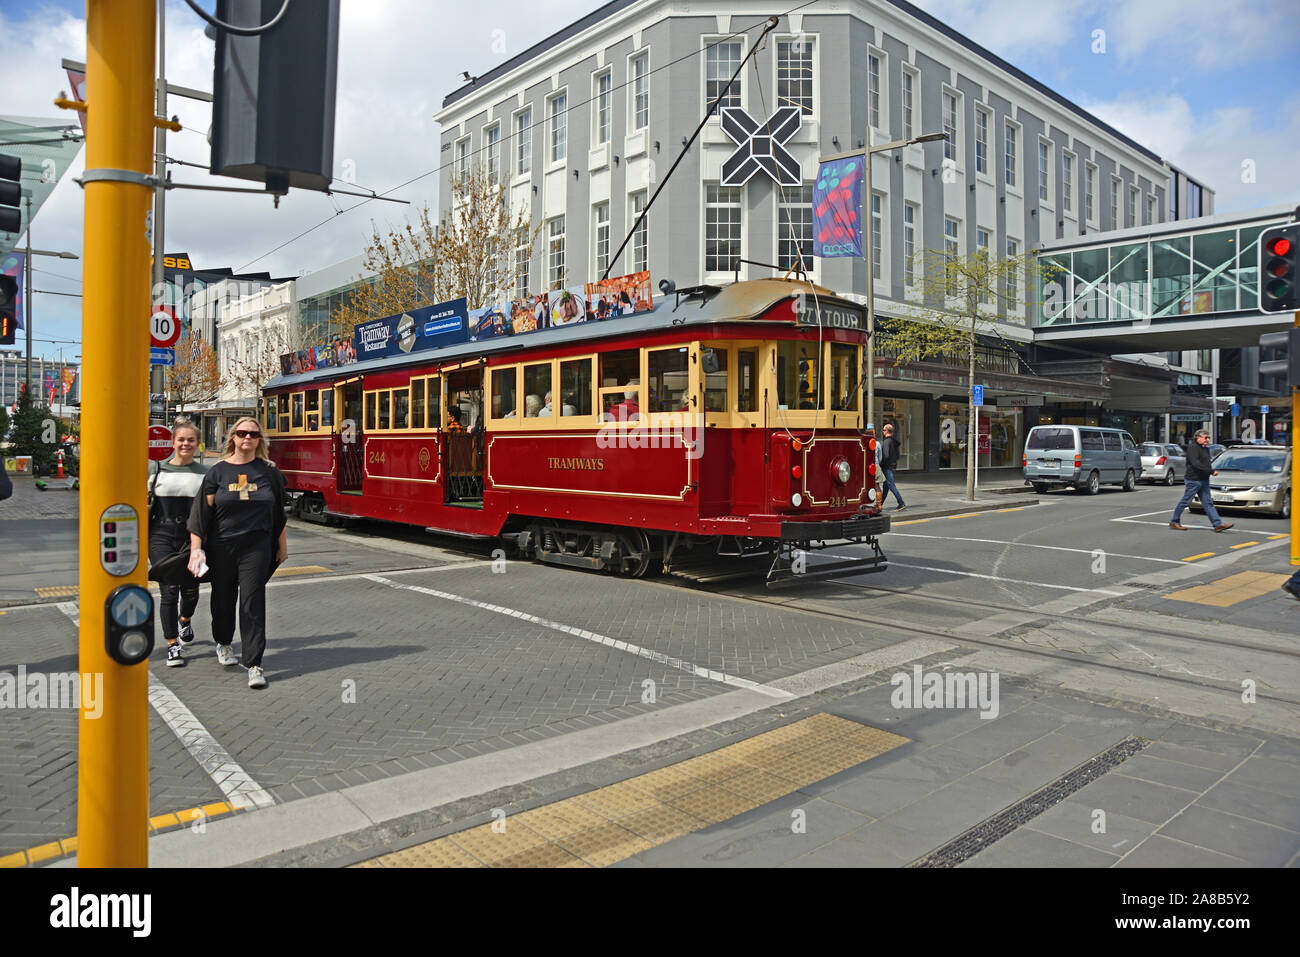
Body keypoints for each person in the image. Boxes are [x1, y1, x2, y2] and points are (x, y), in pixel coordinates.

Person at [187, 418, 287, 689]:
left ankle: (254, 663)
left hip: (257, 546)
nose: (248, 438)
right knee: (223, 598)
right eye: (242, 433)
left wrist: (282, 546)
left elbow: (278, 512)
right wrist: (197, 550)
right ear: (233, 437)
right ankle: (223, 642)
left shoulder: (269, 472)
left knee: (253, 600)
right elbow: (201, 515)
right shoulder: (217, 473)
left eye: (253, 434)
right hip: (222, 546)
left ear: (259, 439)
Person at [148, 419, 207, 667]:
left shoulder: (206, 474)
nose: (185, 444)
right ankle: (172, 644)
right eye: (181, 439)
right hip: (161, 535)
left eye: (190, 440)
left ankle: (185, 620)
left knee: (191, 591)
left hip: (191, 537)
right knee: (169, 591)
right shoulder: (156, 470)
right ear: (173, 442)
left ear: (197, 443)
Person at [1169, 429, 1233, 533]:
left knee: (1208, 503)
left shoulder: (1205, 449)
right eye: (1205, 438)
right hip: (1193, 480)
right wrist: (1211, 471)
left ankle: (1217, 524)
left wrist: (1209, 472)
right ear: (1198, 437)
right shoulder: (1193, 448)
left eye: (1208, 438)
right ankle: (1174, 521)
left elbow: (1206, 463)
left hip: (1204, 480)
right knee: (1186, 501)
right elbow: (1196, 464)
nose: (1207, 440)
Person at [878, 422, 906, 511]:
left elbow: (885, 455)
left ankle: (901, 503)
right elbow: (897, 455)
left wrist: (881, 464)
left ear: (886, 431)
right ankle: (880, 504)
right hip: (893, 466)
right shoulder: (894, 442)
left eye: (883, 430)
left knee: (891, 485)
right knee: (886, 487)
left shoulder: (886, 442)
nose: (882, 431)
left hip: (887, 467)